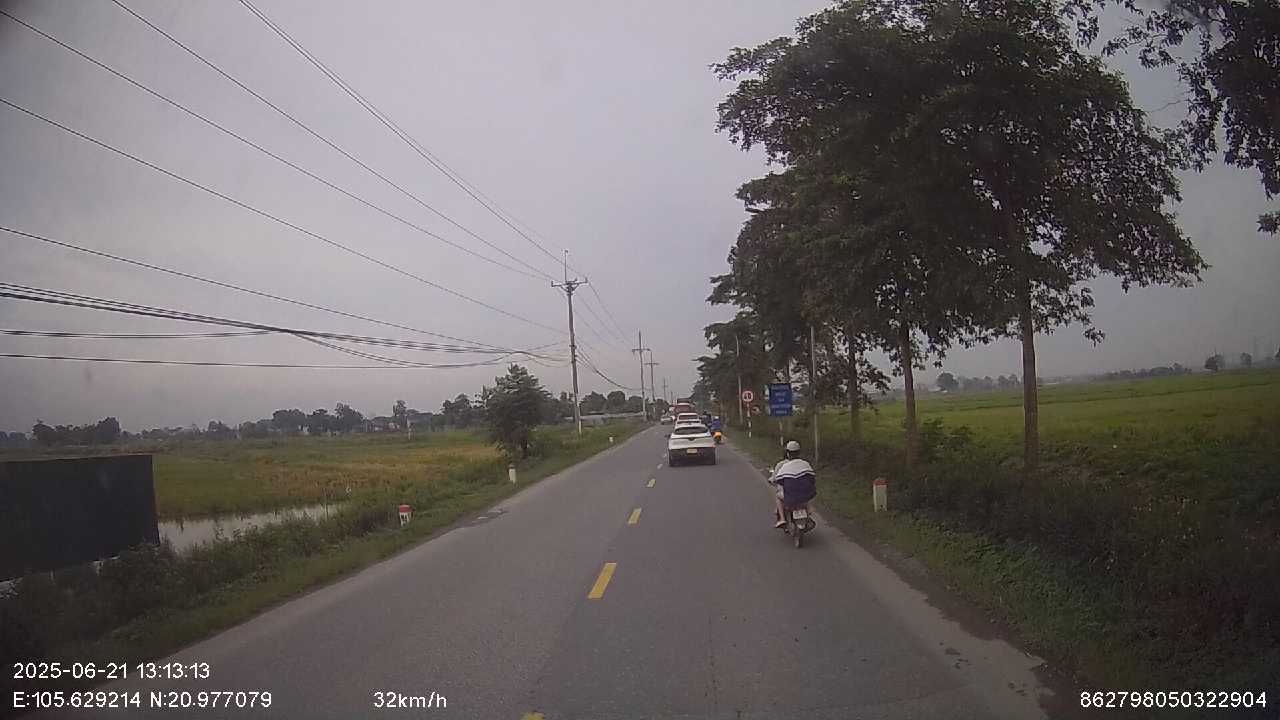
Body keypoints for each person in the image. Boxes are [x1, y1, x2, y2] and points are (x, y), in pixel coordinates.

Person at [769, 440, 816, 528]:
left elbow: (778, 480)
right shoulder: (805, 463)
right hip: (805, 496)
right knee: (808, 492)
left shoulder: (783, 466)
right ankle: (809, 511)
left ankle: (782, 519)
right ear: (799, 452)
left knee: (778, 496)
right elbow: (812, 479)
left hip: (790, 496)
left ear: (787, 453)